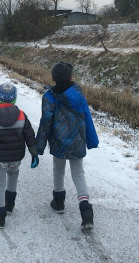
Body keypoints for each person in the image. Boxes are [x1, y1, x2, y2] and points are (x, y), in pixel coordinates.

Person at [36, 61, 99, 230]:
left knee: (58, 170)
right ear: (71, 77)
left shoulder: (49, 97)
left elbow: (46, 122)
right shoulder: (78, 93)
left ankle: (58, 202)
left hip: (58, 141)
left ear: (53, 78)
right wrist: (92, 140)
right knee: (78, 173)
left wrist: (39, 145)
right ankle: (86, 211)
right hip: (78, 140)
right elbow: (87, 117)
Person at [0, 82, 39, 228]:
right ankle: (10, 205)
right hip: (16, 157)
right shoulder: (22, 116)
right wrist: (34, 153)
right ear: (14, 99)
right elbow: (30, 136)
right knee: (13, 175)